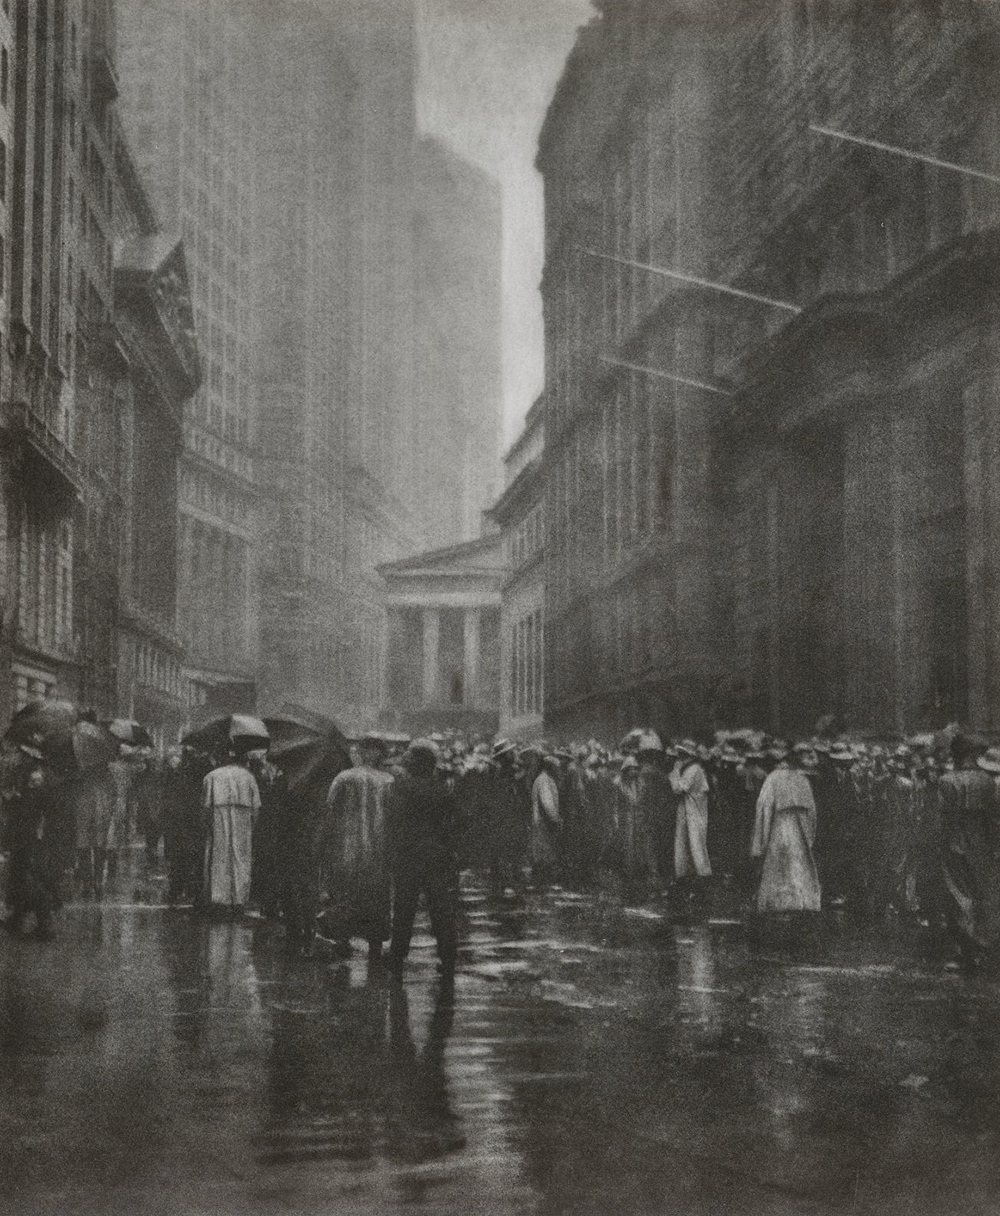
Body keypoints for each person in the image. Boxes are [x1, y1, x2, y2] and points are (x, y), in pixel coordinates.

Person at [387, 739, 463, 977]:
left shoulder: (400, 789)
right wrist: (448, 846)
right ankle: (448, 959)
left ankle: (398, 959)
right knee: (441, 911)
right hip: (436, 856)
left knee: (403, 910)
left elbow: (392, 823)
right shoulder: (441, 790)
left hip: (408, 856)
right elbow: (459, 821)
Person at [319, 734, 394, 958]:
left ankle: (343, 940)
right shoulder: (389, 781)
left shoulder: (344, 778)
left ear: (362, 752)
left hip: (347, 847)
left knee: (345, 894)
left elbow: (329, 811)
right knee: (376, 896)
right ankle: (375, 944)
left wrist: (325, 845)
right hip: (379, 849)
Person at [938, 733, 1000, 968]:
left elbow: (939, 817)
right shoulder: (987, 781)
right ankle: (982, 947)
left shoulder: (946, 780)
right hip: (982, 844)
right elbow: (995, 817)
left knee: (959, 895)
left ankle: (968, 951)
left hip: (954, 843)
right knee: (983, 892)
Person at [750, 744, 821, 913]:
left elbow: (764, 807)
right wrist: (810, 836)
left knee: (779, 865)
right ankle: (801, 902)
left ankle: (778, 904)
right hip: (800, 828)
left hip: (779, 826)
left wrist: (761, 839)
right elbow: (812, 812)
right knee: (799, 865)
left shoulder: (773, 779)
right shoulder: (802, 779)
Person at [3, 759, 63, 939]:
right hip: (25, 842)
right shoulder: (29, 791)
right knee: (21, 879)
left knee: (31, 881)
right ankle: (17, 919)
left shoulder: (39, 792)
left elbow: (33, 816)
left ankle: (45, 926)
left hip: (31, 843)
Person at [202, 747, 261, 915]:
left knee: (219, 857)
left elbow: (205, 807)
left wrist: (206, 825)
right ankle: (239, 899)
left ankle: (219, 899)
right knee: (241, 857)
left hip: (218, 816)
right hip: (243, 819)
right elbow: (256, 806)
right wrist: (253, 826)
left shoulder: (211, 776)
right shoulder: (249, 777)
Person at [669, 740, 712, 884]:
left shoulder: (694, 769)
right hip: (687, 808)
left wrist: (675, 771)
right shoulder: (690, 768)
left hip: (694, 809)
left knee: (695, 841)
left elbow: (678, 789)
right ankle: (686, 874)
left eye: (682, 754)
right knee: (685, 840)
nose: (679, 757)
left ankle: (702, 875)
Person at [529, 753, 562, 885]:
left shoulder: (544, 779)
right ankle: (540, 881)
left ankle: (540, 880)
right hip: (544, 821)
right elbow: (547, 802)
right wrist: (555, 818)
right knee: (543, 850)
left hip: (542, 820)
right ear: (549, 767)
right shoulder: (544, 780)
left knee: (542, 850)